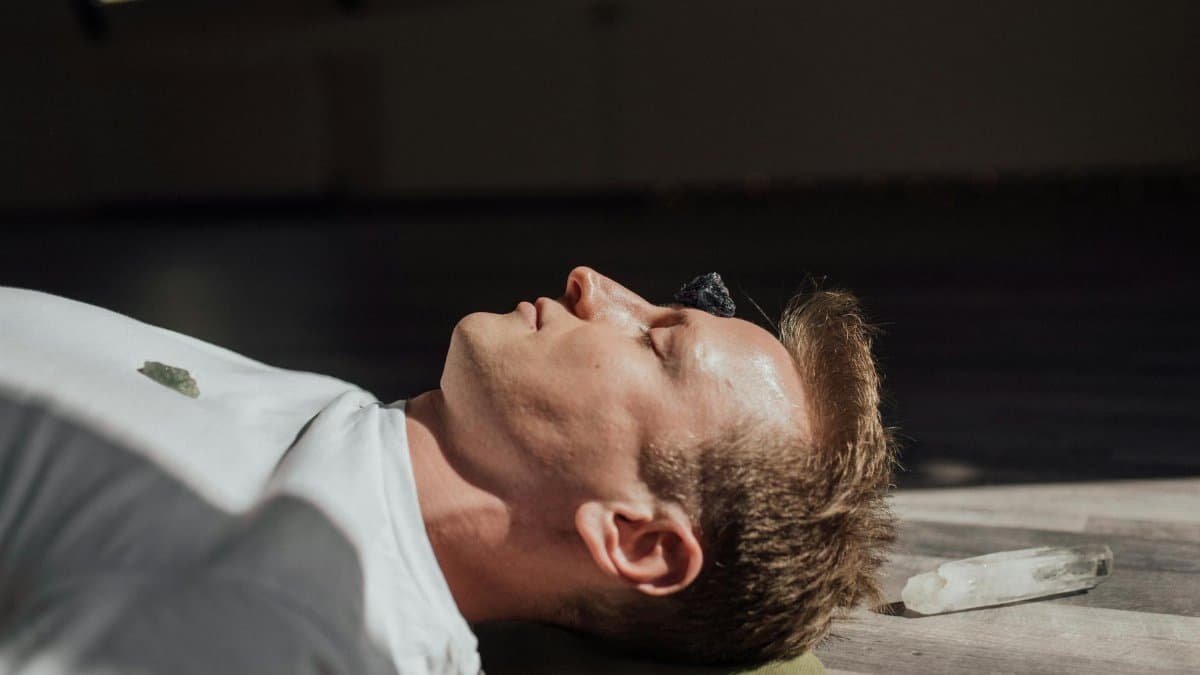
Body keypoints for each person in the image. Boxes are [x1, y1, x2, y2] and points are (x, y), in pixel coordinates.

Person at [0, 266, 896, 674]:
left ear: (635, 539)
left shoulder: (312, 615)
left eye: (655, 341)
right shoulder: (355, 441)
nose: (591, 284)